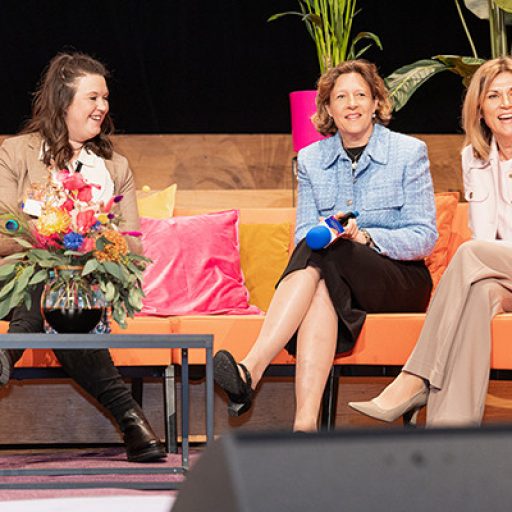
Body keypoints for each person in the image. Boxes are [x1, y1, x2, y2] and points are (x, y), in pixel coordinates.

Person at [213, 60, 438, 432]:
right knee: (320, 273)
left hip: (398, 278)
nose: (352, 104)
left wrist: (365, 237)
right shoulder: (312, 159)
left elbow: (424, 237)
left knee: (325, 253)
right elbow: (305, 232)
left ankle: (251, 368)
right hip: (335, 273)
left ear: (376, 102)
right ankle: (305, 427)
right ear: (328, 109)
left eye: (361, 95)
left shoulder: (408, 152)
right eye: (341, 97)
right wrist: (330, 230)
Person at [0, 52, 166, 462]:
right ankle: (131, 419)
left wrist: (91, 236)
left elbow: (132, 246)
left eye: (105, 98)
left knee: (69, 297)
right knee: (51, 285)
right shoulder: (16, 153)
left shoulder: (113, 166)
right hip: (17, 278)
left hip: (90, 283)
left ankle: (6, 351)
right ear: (63, 102)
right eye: (93, 98)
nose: (103, 107)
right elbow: (3, 225)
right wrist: (50, 233)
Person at [349, 57, 512, 427]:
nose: (506, 104)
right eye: (495, 97)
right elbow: (487, 235)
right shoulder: (474, 157)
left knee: (470, 254)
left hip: (499, 263)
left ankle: (414, 377)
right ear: (481, 111)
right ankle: (447, 442)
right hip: (502, 275)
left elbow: (479, 248)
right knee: (478, 295)